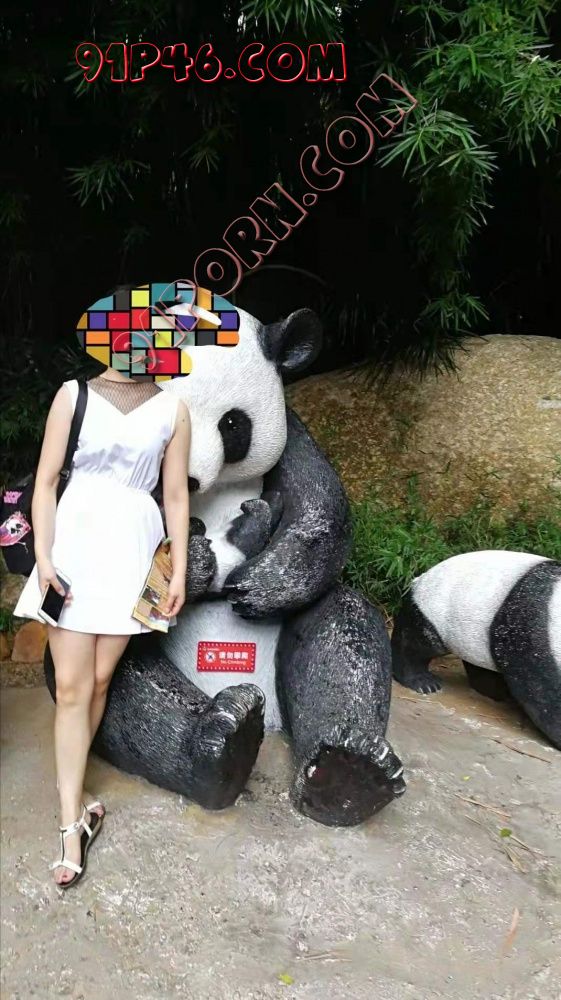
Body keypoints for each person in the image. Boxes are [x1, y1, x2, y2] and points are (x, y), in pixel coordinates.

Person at [14, 367, 190, 888]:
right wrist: (44, 557)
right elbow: (46, 481)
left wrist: (179, 569)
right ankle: (71, 822)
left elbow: (175, 495)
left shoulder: (174, 409)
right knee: (72, 686)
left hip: (133, 551)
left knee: (97, 681)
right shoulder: (73, 395)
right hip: (72, 546)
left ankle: (78, 794)